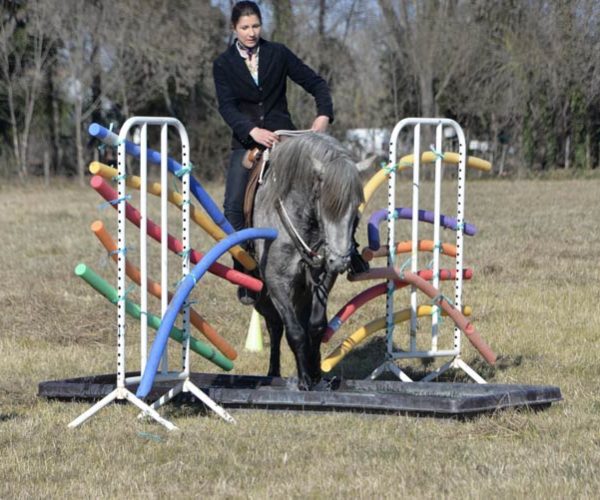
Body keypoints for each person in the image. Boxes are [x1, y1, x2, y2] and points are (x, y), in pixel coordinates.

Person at [213, 1, 366, 304]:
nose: (251, 32)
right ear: (234, 29)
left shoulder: (278, 53)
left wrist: (324, 116)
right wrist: (251, 131)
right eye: (245, 27)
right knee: (232, 206)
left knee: (331, 186)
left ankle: (352, 249)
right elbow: (226, 106)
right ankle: (248, 272)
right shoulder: (223, 63)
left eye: (255, 26)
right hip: (247, 143)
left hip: (287, 140)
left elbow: (316, 83)